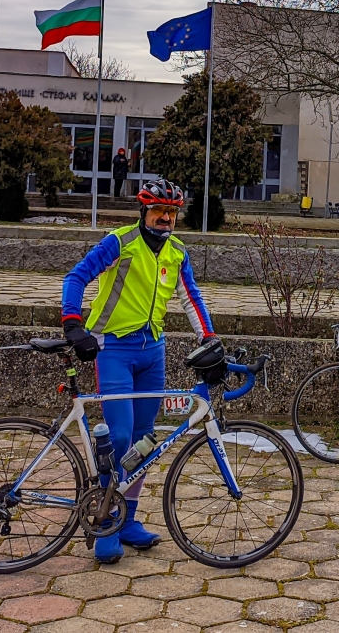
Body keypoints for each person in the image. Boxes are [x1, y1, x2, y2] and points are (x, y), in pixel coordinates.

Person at [61, 178, 217, 563]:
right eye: (158, 211)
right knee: (120, 435)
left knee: (146, 440)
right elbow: (76, 277)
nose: (165, 218)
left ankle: (128, 518)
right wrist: (72, 322)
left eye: (172, 212)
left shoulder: (177, 252)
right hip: (112, 347)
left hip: (153, 352)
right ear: (143, 211)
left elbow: (191, 296)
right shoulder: (120, 241)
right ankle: (106, 522)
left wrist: (209, 339)